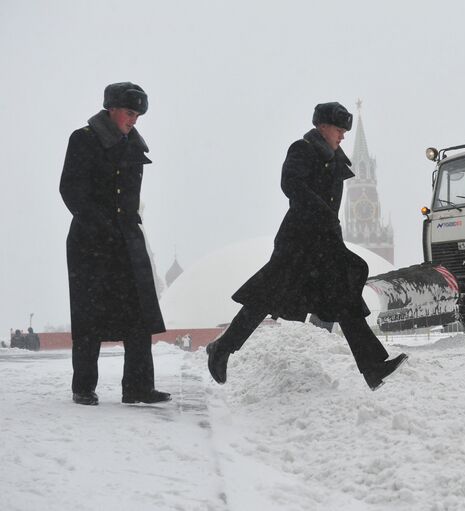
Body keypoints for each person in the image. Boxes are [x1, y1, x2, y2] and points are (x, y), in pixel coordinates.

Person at [206, 102, 408, 391]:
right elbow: (291, 185)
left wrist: (331, 229)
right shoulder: (302, 149)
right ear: (322, 126)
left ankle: (373, 367)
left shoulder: (336, 159)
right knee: (264, 298)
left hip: (325, 245)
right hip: (298, 243)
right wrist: (322, 214)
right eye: (339, 129)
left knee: (346, 300)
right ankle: (222, 348)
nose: (342, 135)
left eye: (344, 131)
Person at [60, 82, 170, 406]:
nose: (134, 120)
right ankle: (83, 386)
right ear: (111, 109)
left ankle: (138, 386)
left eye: (137, 114)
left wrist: (126, 229)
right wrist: (100, 226)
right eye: (130, 112)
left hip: (126, 238)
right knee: (88, 314)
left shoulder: (135, 146)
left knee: (138, 311)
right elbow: (70, 189)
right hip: (89, 242)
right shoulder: (83, 139)